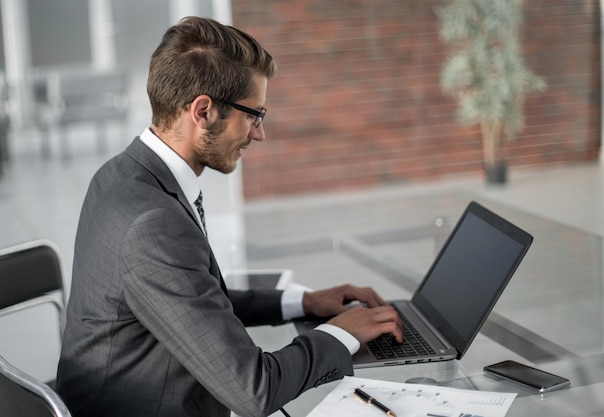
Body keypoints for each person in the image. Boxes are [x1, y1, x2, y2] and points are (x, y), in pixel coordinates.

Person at [55, 16, 402, 417]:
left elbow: (194, 297)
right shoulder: (152, 221)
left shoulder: (123, 173)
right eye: (254, 114)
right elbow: (253, 390)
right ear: (203, 110)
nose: (259, 133)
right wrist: (340, 335)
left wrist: (302, 302)